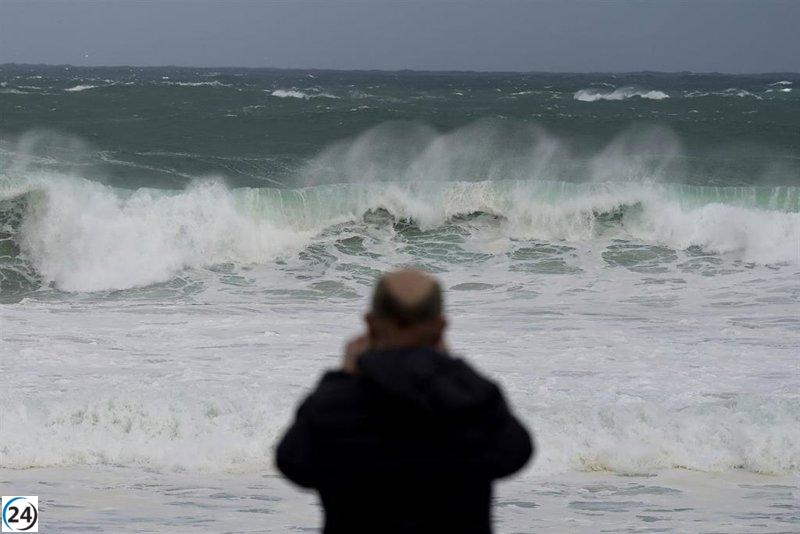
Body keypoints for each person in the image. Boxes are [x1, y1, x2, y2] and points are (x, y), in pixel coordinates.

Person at [276, 269, 533, 534]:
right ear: (441, 326)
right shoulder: (472, 400)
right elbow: (516, 455)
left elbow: (294, 464)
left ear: (370, 323)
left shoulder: (336, 404)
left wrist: (343, 376)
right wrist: (450, 369)